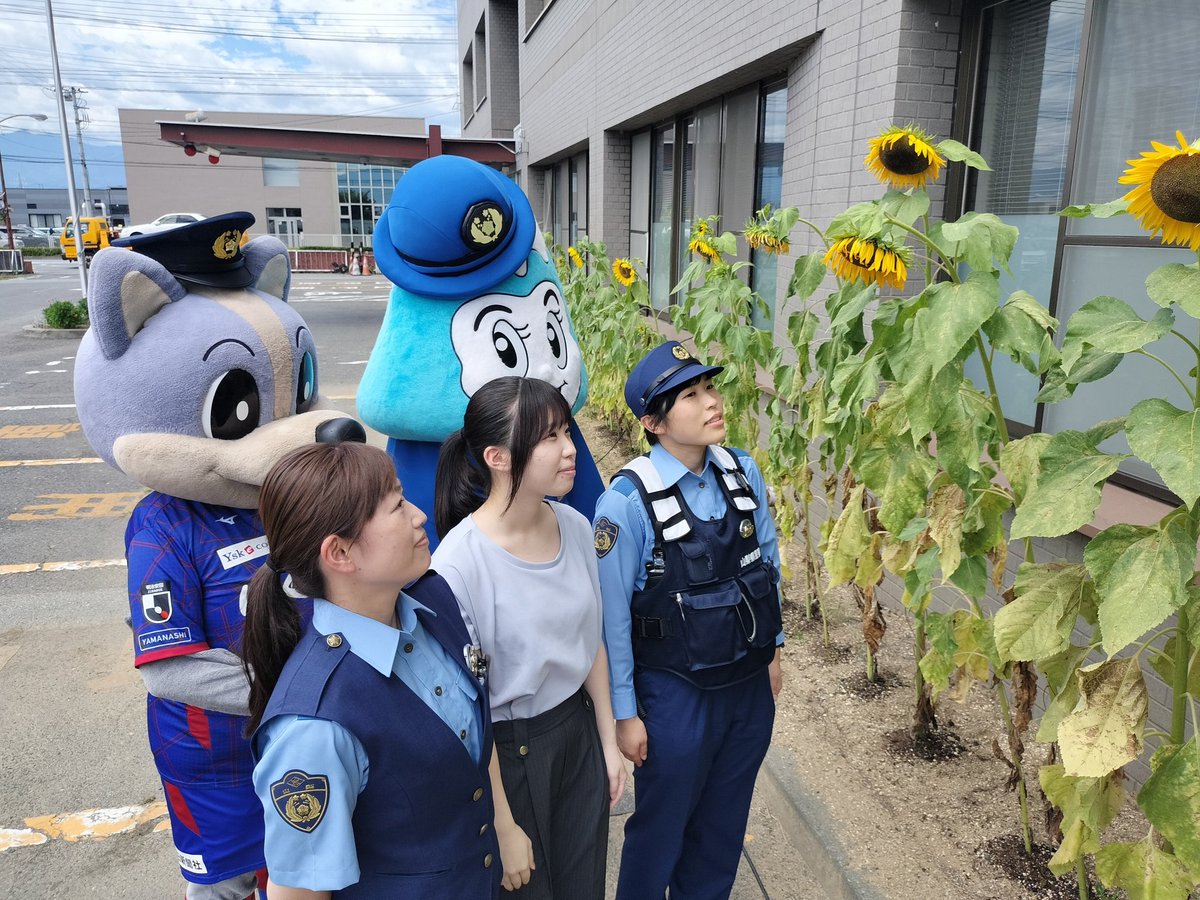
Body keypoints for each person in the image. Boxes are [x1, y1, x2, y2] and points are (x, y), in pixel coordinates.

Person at [242, 442, 500, 898]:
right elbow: (298, 891)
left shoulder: (431, 598)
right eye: (397, 506)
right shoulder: (314, 725)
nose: (419, 515)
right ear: (340, 554)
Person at [592, 341, 785, 900]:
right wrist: (625, 714)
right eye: (691, 396)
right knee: (661, 830)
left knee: (723, 828)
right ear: (653, 422)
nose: (712, 403)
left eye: (710, 388)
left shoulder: (742, 473)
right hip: (676, 693)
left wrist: (774, 651)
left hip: (747, 687)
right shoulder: (627, 503)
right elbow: (612, 623)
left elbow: (767, 567)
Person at [432, 376, 626, 898]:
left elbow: (592, 644)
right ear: (498, 456)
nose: (570, 450)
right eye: (550, 438)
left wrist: (607, 743)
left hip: (576, 733)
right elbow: (463, 704)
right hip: (508, 752)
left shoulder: (576, 527)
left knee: (584, 886)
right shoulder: (458, 562)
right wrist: (500, 819)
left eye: (567, 431)